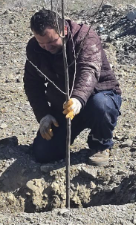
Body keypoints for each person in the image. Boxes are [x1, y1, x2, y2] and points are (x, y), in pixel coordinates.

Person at [24, 9, 122, 166]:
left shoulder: (85, 37)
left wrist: (77, 99)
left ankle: (100, 142)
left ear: (63, 30)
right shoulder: (34, 48)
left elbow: (88, 70)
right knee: (43, 153)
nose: (46, 47)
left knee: (100, 106)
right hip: (64, 106)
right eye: (41, 43)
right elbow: (32, 83)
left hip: (96, 96)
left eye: (51, 42)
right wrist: (43, 115)